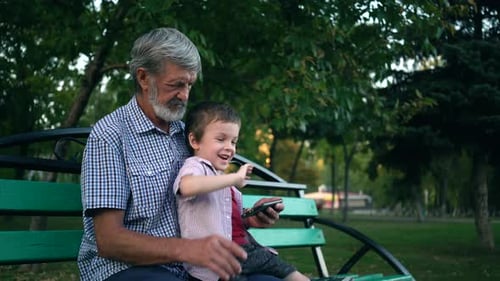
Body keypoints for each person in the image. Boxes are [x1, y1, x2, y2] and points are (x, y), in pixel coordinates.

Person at [78, 27, 284, 281]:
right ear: (143, 78)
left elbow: (200, 206)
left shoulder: (187, 134)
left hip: (190, 268)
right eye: (175, 85)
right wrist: (189, 250)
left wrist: (247, 218)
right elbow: (109, 241)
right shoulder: (110, 136)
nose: (185, 95)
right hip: (126, 269)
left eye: (189, 85)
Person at [174, 101, 310, 281]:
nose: (230, 147)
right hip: (217, 259)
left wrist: (250, 214)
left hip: (245, 251)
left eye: (233, 141)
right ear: (195, 141)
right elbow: (187, 186)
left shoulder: (220, 178)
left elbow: (228, 220)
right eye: (221, 139)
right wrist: (234, 179)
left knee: (287, 270)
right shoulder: (196, 166)